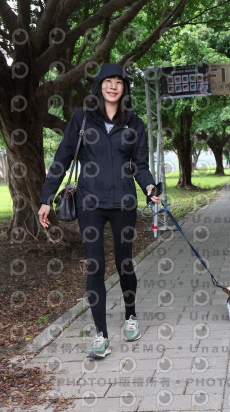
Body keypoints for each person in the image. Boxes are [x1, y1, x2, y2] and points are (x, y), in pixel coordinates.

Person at [38, 63, 159, 360]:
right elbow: (62, 158)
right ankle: (100, 335)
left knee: (124, 262)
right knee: (95, 266)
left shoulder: (135, 123)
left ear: (125, 88)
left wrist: (150, 187)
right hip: (90, 202)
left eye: (119, 81)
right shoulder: (82, 118)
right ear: (99, 85)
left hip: (123, 203)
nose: (113, 86)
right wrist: (46, 197)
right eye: (108, 81)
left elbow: (140, 166)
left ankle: (130, 316)